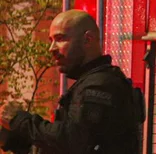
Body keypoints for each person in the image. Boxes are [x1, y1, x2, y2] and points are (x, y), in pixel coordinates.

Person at [1, 10, 142, 154]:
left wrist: (20, 121)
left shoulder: (100, 85)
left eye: (60, 38)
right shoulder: (91, 82)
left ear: (87, 39)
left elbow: (71, 140)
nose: (52, 49)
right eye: (51, 41)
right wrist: (13, 139)